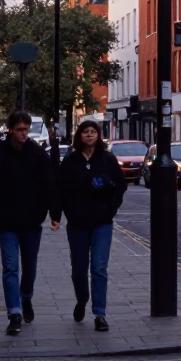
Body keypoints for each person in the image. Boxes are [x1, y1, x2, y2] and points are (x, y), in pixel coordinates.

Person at [0, 110, 61, 336]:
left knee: (30, 266)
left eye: (26, 129)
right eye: (20, 129)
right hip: (6, 221)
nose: (24, 134)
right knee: (10, 267)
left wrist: (54, 213)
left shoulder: (37, 155)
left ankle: (26, 297)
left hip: (31, 220)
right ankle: (14, 312)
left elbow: (50, 185)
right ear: (10, 129)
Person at [58, 118, 126, 332]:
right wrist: (67, 213)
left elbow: (120, 187)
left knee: (99, 268)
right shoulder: (70, 161)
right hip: (77, 223)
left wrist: (111, 209)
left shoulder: (107, 159)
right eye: (85, 132)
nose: (89, 135)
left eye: (93, 132)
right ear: (79, 136)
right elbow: (61, 190)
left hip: (102, 223)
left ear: (98, 136)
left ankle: (99, 313)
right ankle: (81, 299)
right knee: (79, 270)